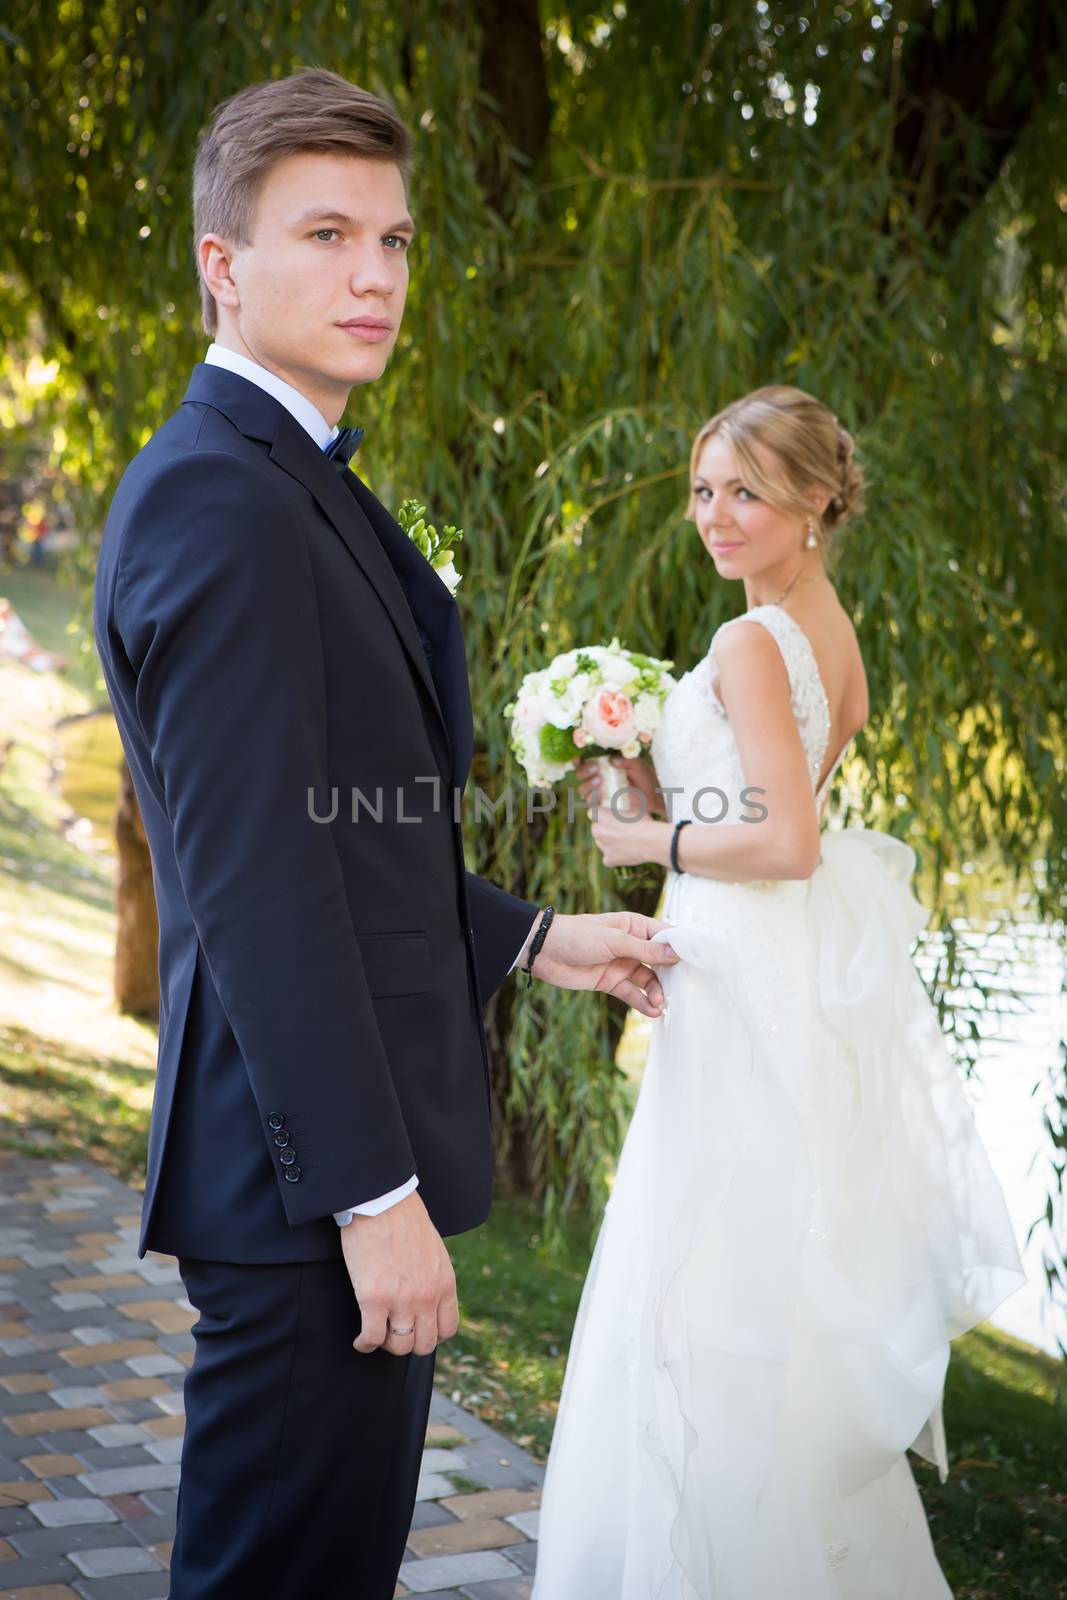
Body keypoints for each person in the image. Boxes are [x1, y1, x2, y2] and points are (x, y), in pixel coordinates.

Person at [91, 67, 678, 1600]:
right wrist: (372, 1198)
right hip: (308, 1193)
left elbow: (341, 837)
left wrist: (537, 939)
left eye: (396, 242)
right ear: (223, 265)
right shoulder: (222, 501)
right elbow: (259, 886)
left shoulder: (289, 477)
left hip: (316, 1178)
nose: (374, 276)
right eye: (327, 234)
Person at [532, 385, 1025, 1598]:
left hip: (741, 983)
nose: (713, 515)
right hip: (762, 976)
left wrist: (641, 845)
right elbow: (767, 800)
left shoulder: (748, 642)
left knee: (702, 1287)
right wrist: (650, 771)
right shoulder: (823, 634)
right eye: (702, 489)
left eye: (743, 491)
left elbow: (786, 842)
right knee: (754, 1284)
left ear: (813, 501)